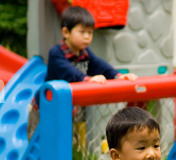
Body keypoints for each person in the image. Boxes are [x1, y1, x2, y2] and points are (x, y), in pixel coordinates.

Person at [27, 6, 136, 140]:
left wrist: (118, 75)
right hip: (43, 108)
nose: (87, 37)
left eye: (90, 32)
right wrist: (87, 79)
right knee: (38, 140)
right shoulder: (56, 53)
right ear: (66, 32)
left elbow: (100, 65)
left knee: (62, 139)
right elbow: (69, 72)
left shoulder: (85, 53)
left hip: (64, 107)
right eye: (82, 32)